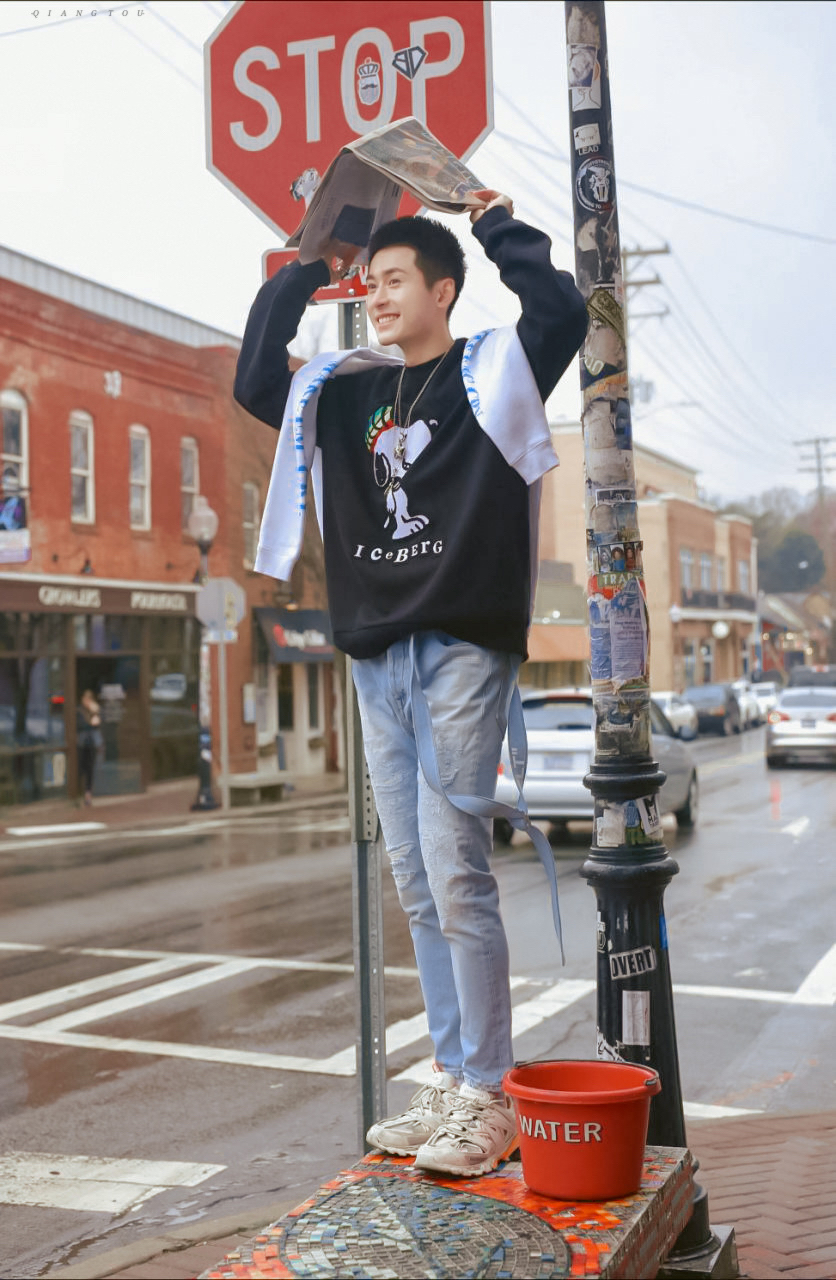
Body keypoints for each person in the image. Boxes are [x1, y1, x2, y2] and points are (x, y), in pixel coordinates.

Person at [234, 189, 587, 1176]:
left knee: (454, 864)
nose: (378, 295)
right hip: (374, 652)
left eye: (394, 280)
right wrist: (312, 263)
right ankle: (451, 1075)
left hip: (461, 644)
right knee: (415, 880)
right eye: (370, 282)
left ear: (442, 292)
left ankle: (490, 1094)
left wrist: (492, 218)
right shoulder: (346, 392)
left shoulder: (494, 371)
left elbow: (559, 309)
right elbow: (257, 376)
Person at [76, 689, 101, 806]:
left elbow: (98, 725)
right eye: (86, 699)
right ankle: (78, 793)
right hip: (81, 744)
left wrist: (95, 713)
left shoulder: (94, 710)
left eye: (89, 700)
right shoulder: (79, 711)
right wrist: (91, 722)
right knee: (81, 768)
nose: (87, 702)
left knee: (90, 769)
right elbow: (81, 725)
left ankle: (88, 794)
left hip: (91, 744)